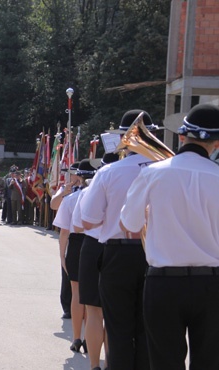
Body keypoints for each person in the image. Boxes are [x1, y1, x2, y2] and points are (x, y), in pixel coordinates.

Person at [121, 103, 219, 370]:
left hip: (163, 283)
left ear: (181, 136)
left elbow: (129, 223)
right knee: (209, 363)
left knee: (164, 362)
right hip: (212, 284)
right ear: (217, 143)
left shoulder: (151, 173)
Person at [80, 110, 160, 370]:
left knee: (117, 329)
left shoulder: (109, 172)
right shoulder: (167, 170)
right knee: (149, 329)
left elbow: (88, 220)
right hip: (156, 255)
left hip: (118, 254)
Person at [72, 153, 118, 370]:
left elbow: (79, 225)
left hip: (91, 247)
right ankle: (108, 363)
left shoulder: (88, 191)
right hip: (117, 248)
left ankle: (93, 366)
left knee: (93, 311)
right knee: (113, 313)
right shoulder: (128, 185)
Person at [52, 161, 86, 355]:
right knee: (78, 288)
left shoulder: (79, 195)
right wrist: (64, 191)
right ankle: (70, 314)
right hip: (79, 240)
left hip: (76, 241)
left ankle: (79, 336)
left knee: (79, 290)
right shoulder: (68, 191)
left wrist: (62, 254)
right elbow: (53, 203)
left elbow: (65, 231)